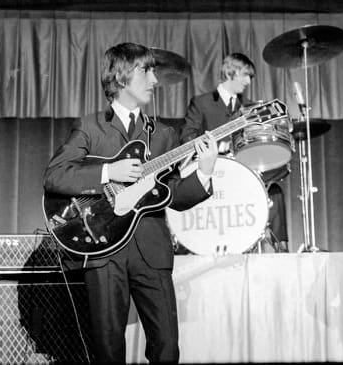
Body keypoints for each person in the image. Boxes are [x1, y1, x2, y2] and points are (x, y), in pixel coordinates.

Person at [43, 42, 218, 363]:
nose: (154, 79)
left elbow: (174, 196)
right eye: (146, 70)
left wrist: (205, 172)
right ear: (121, 76)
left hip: (152, 251)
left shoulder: (164, 134)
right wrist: (109, 171)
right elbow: (55, 176)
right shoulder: (91, 126)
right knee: (108, 351)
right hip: (103, 248)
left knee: (167, 349)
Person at [179, 53, 289, 252]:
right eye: (245, 75)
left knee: (274, 192)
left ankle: (279, 250)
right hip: (212, 174)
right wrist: (215, 145)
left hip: (240, 174)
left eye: (250, 77)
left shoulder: (248, 108)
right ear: (232, 72)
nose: (248, 81)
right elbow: (187, 137)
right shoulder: (202, 102)